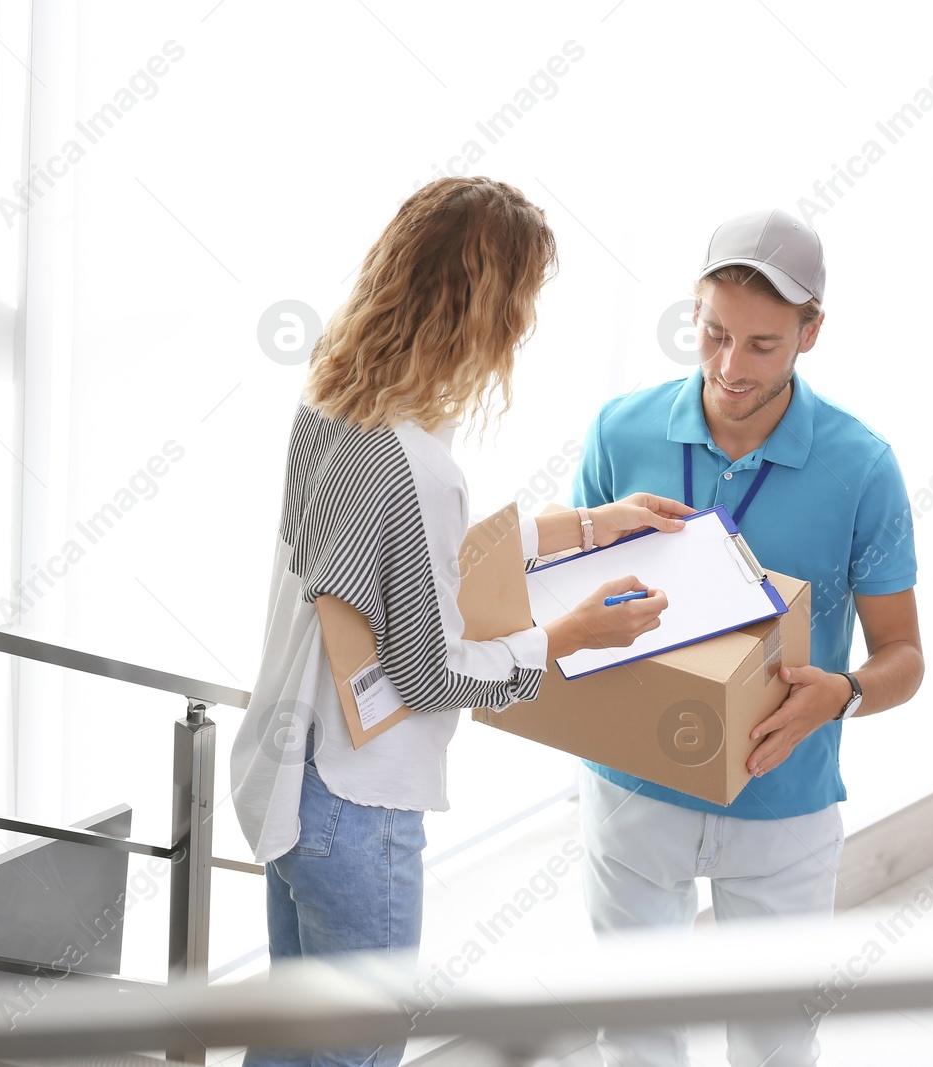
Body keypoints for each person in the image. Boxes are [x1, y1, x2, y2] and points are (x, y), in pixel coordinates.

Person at [230, 175, 693, 1067]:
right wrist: (568, 636)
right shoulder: (419, 468)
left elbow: (402, 564)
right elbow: (431, 673)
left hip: (293, 784)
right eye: (520, 304)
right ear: (486, 312)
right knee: (358, 1054)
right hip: (359, 807)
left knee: (291, 1049)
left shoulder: (332, 396)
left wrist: (588, 524)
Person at [572, 208, 925, 1067]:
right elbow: (570, 606)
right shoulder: (619, 432)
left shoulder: (864, 467)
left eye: (763, 345)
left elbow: (904, 659)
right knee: (635, 1038)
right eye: (713, 331)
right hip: (632, 790)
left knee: (775, 1044)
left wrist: (841, 693)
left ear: (812, 332)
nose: (731, 367)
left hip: (784, 806)